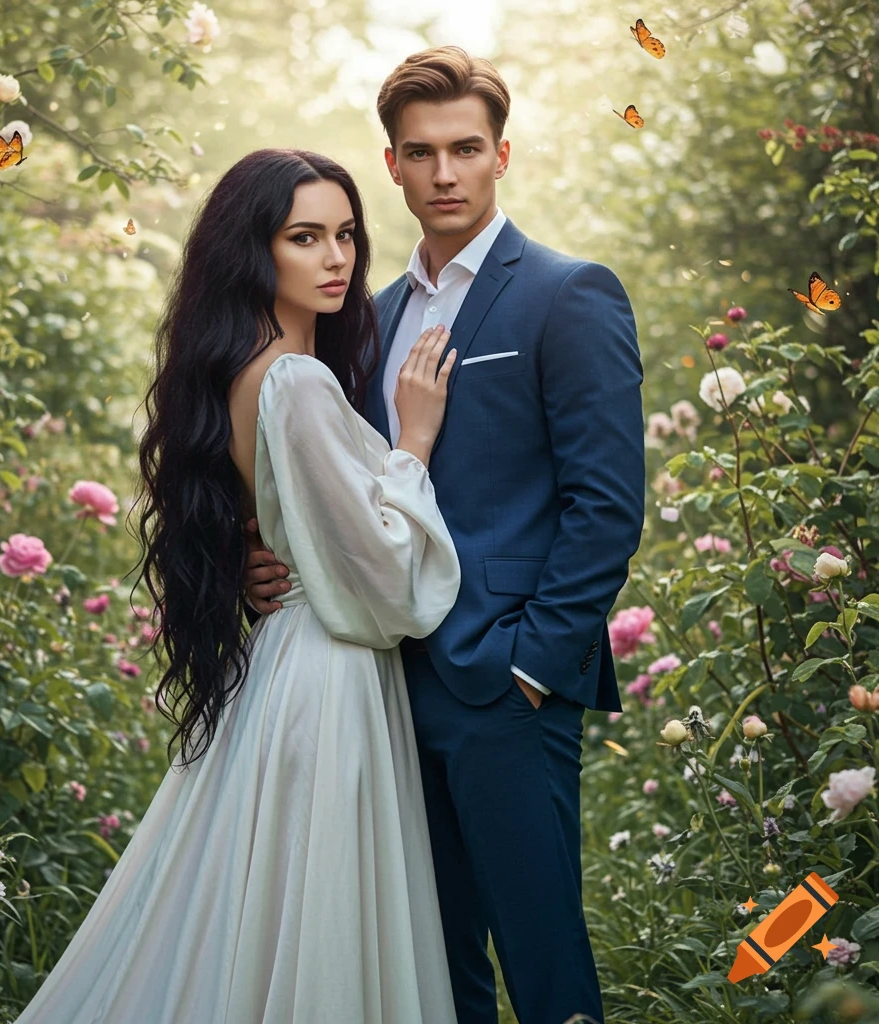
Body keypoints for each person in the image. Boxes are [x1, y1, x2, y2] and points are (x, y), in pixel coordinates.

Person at [11, 149, 465, 1023]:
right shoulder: (294, 380)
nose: (336, 259)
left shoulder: (244, 369)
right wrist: (413, 440)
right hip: (330, 672)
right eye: (304, 238)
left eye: (345, 235)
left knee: (270, 909)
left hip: (292, 659)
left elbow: (286, 528)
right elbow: (388, 585)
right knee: (317, 913)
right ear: (254, 254)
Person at [243, 45, 646, 1024]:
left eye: (466, 148)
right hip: (379, 685)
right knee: (428, 969)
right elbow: (340, 485)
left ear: (501, 154)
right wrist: (274, 566)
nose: (445, 172)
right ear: (391, 166)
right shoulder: (362, 319)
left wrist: (532, 667)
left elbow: (606, 503)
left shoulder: (567, 292)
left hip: (505, 686)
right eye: (420, 153)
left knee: (545, 961)